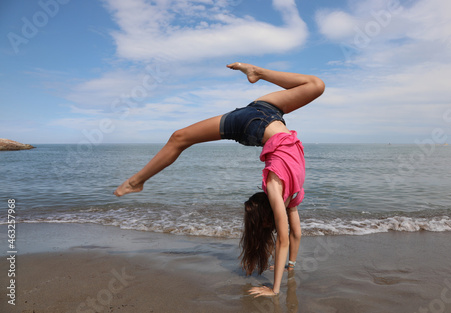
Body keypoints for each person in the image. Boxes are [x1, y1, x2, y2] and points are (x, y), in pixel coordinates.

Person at [114, 62, 325, 297]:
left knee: (179, 137)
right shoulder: (282, 194)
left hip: (254, 122)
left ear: (269, 219)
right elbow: (289, 236)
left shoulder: (284, 192)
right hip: (269, 111)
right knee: (317, 85)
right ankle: (257, 72)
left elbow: (290, 236)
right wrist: (284, 274)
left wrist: (281, 280)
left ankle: (136, 182)